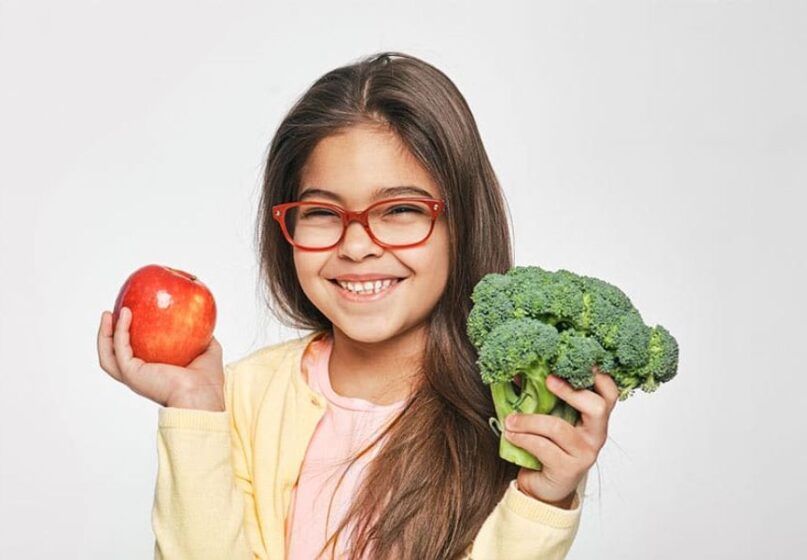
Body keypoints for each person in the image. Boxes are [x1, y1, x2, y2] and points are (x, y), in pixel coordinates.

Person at [97, 51, 619, 560]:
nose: (357, 245)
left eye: (400, 209)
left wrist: (541, 500)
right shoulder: (242, 398)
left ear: (462, 222)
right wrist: (194, 407)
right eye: (322, 211)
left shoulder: (512, 412)